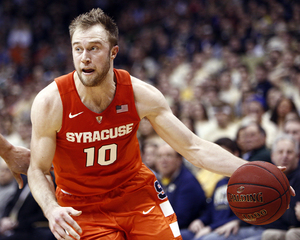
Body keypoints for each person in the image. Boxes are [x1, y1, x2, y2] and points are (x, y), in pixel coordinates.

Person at [27, 8, 254, 240]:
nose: (84, 56)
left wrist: (252, 171)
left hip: (135, 193)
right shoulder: (50, 102)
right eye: (78, 49)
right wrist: (51, 208)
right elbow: (38, 169)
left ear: (113, 52)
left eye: (94, 48)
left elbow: (193, 147)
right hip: (80, 205)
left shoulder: (140, 94)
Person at [181, 138, 240, 240]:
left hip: (230, 229)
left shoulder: (245, 182)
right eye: (217, 156)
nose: (220, 159)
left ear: (236, 154)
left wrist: (210, 228)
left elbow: (246, 215)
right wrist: (200, 220)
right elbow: (210, 211)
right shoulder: (220, 183)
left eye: (225, 154)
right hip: (213, 228)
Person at [155, 142, 207, 230]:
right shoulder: (158, 180)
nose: (163, 160)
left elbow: (181, 219)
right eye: (159, 156)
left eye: (169, 155)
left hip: (188, 230)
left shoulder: (188, 181)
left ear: (179, 160)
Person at [0, 175, 55, 240]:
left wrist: (17, 223)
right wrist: (4, 218)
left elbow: (42, 214)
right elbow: (12, 202)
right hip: (12, 224)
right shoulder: (25, 179)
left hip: (30, 228)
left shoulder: (50, 182)